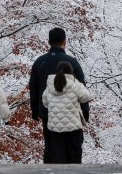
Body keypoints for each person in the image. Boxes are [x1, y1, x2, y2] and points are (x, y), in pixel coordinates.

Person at [29, 27, 87, 163]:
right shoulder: (72, 62)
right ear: (64, 42)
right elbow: (82, 88)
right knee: (73, 151)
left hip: (49, 113)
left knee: (52, 150)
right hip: (72, 114)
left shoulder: (39, 62)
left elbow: (33, 87)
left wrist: (35, 110)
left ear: (48, 42)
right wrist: (85, 111)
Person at [41, 61, 91, 164]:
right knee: (74, 159)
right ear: (70, 72)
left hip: (55, 130)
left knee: (58, 159)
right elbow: (86, 97)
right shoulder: (74, 84)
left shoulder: (50, 85)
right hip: (73, 129)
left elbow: (45, 103)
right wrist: (76, 81)